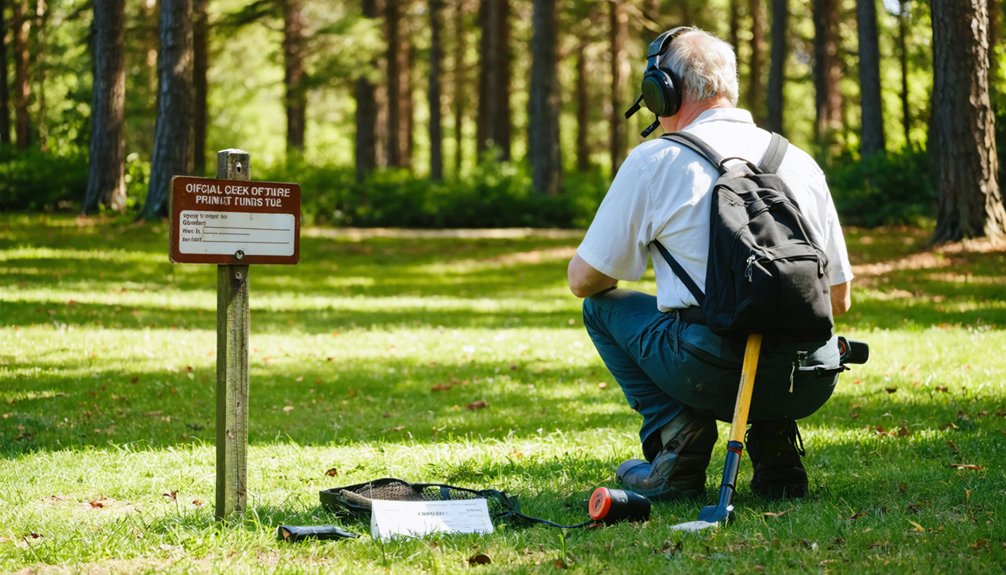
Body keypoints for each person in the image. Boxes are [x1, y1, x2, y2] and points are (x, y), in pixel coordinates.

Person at [567, 27, 854, 501]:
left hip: (711, 373)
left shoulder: (655, 161)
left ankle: (677, 439)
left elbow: (584, 280)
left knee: (601, 307)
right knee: (772, 319)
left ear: (662, 91)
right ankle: (775, 442)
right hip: (807, 378)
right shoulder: (799, 160)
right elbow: (838, 299)